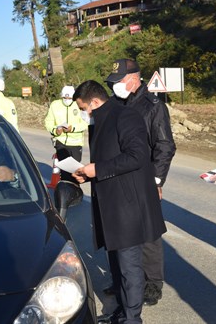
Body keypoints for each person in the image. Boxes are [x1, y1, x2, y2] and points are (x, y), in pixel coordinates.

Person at [72, 80, 166, 324]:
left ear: (94, 102)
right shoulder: (102, 120)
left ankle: (133, 319)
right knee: (117, 266)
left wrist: (98, 169)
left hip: (128, 207)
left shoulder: (125, 116)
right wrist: (86, 173)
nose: (84, 115)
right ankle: (122, 313)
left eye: (84, 109)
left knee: (129, 268)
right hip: (110, 206)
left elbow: (137, 156)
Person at [103, 58, 176, 307]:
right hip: (117, 176)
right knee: (117, 228)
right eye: (113, 82)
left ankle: (152, 284)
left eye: (119, 81)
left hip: (144, 179)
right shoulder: (114, 104)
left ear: (134, 78)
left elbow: (164, 145)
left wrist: (156, 180)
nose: (115, 87)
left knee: (148, 233)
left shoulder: (153, 105)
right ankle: (120, 279)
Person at [44, 85, 89, 184]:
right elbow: (49, 121)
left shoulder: (79, 104)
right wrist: (55, 130)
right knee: (64, 172)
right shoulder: (55, 105)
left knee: (75, 172)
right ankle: (65, 193)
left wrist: (72, 128)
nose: (67, 100)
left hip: (76, 144)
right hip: (61, 143)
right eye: (65, 98)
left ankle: (74, 193)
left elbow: (85, 123)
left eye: (69, 98)